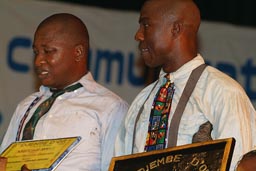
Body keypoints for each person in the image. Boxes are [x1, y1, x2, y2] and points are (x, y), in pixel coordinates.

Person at [114, 0, 256, 170]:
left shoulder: (222, 92)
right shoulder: (141, 101)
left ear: (176, 29)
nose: (138, 35)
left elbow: (244, 165)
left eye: (146, 25)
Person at [0, 13, 129, 171]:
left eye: (48, 51)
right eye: (36, 52)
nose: (38, 61)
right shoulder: (26, 106)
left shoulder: (110, 108)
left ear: (78, 53)